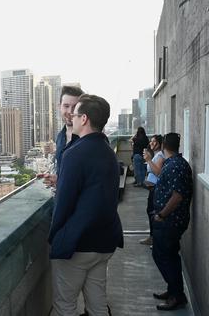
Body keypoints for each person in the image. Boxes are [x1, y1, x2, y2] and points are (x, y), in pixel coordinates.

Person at [48, 94, 124, 316]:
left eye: (76, 113)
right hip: (104, 242)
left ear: (85, 119)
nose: (71, 116)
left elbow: (63, 203)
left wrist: (57, 238)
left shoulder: (75, 153)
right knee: (97, 303)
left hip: (78, 245)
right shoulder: (109, 152)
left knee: (65, 305)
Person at [151, 132, 193, 311]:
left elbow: (177, 196)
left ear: (163, 146)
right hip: (170, 220)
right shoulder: (175, 163)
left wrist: (162, 215)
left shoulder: (175, 165)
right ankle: (173, 290)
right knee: (170, 256)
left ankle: (177, 296)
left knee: (162, 256)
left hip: (170, 221)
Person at [49, 85, 84, 187]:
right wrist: (57, 179)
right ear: (59, 107)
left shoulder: (88, 138)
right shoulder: (60, 137)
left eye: (75, 107)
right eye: (66, 106)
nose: (70, 112)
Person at [139, 134, 165, 246]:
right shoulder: (156, 154)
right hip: (152, 188)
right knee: (150, 211)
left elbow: (158, 172)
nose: (151, 143)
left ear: (159, 143)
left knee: (153, 213)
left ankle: (155, 239)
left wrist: (149, 160)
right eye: (151, 141)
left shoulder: (160, 155)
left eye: (154, 142)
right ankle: (152, 237)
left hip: (156, 189)